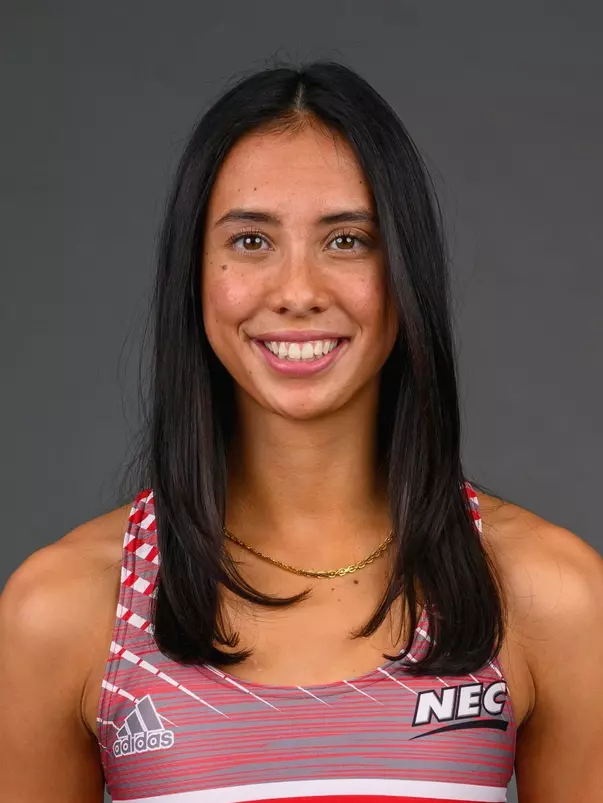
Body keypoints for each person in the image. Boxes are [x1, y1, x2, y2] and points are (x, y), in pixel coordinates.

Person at [1, 61, 602, 803]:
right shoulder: (64, 608)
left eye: (346, 240)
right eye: (251, 242)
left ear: (403, 271)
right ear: (195, 274)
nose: (296, 292)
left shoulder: (545, 593)